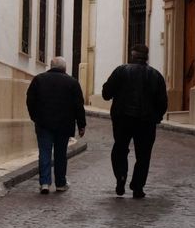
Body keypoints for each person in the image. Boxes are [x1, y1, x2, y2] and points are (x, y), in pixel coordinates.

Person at [101, 43, 169, 199]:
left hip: (122, 119)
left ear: (132, 56)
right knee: (144, 155)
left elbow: (106, 94)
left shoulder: (121, 71)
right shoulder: (156, 75)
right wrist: (156, 117)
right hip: (146, 121)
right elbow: (163, 102)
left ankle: (121, 176)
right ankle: (138, 187)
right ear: (146, 57)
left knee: (120, 149)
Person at [26, 55, 87, 194]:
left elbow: (30, 100)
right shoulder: (72, 82)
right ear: (64, 68)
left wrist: (35, 117)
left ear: (51, 66)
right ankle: (60, 183)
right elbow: (79, 106)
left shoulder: (39, 79)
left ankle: (45, 183)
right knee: (60, 154)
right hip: (64, 125)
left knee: (44, 152)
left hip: (43, 123)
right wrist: (81, 125)